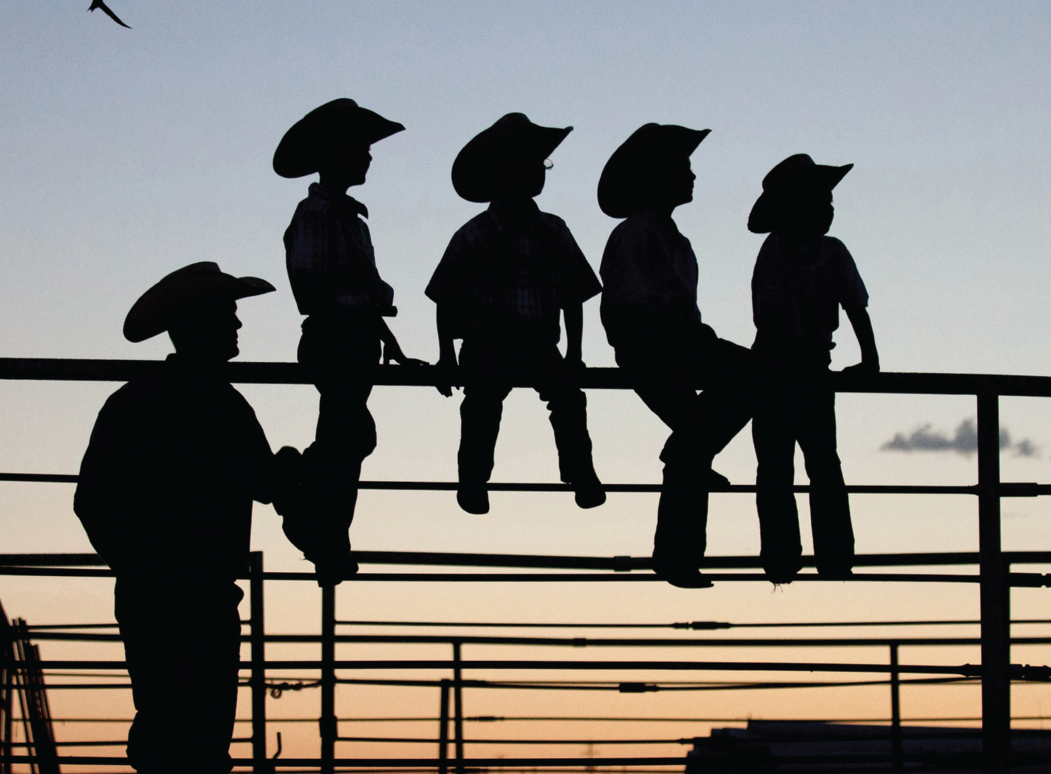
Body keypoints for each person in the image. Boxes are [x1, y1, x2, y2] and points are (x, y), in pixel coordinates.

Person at [73, 262, 281, 774]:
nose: (239, 322)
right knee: (193, 732)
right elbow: (269, 485)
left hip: (165, 593)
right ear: (200, 326)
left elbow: (93, 503)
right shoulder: (223, 405)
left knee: (175, 728)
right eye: (227, 314)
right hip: (193, 594)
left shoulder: (139, 403)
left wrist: (138, 563)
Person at [597, 123, 756, 588]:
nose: (691, 176)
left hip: (678, 342)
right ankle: (676, 554)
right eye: (681, 168)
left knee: (749, 380)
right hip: (647, 346)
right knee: (699, 437)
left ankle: (678, 541)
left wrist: (693, 338)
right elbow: (629, 310)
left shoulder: (674, 240)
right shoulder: (633, 236)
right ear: (653, 178)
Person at [427, 113, 605, 514]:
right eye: (529, 164)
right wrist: (445, 354)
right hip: (486, 339)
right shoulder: (476, 233)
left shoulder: (552, 230)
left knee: (567, 397)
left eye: (539, 165)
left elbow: (572, 295)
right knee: (484, 399)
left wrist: (575, 353)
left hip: (539, 342)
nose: (537, 172)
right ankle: (473, 478)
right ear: (503, 172)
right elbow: (446, 297)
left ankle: (581, 471)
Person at [274, 98, 415, 584]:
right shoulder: (317, 212)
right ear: (334, 151)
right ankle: (320, 531)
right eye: (361, 146)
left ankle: (318, 527)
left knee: (345, 437)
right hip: (334, 338)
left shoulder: (348, 217)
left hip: (353, 340)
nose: (369, 156)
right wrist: (366, 311)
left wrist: (387, 341)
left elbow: (354, 297)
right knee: (349, 436)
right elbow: (312, 289)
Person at [747, 154, 879, 583]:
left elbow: (855, 305)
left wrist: (870, 358)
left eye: (828, 201)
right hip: (778, 367)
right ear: (793, 207)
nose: (828, 208)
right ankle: (793, 556)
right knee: (785, 466)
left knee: (811, 464)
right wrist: (867, 358)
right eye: (818, 200)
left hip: (801, 368)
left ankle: (828, 556)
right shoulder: (778, 250)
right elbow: (779, 315)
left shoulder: (832, 251)